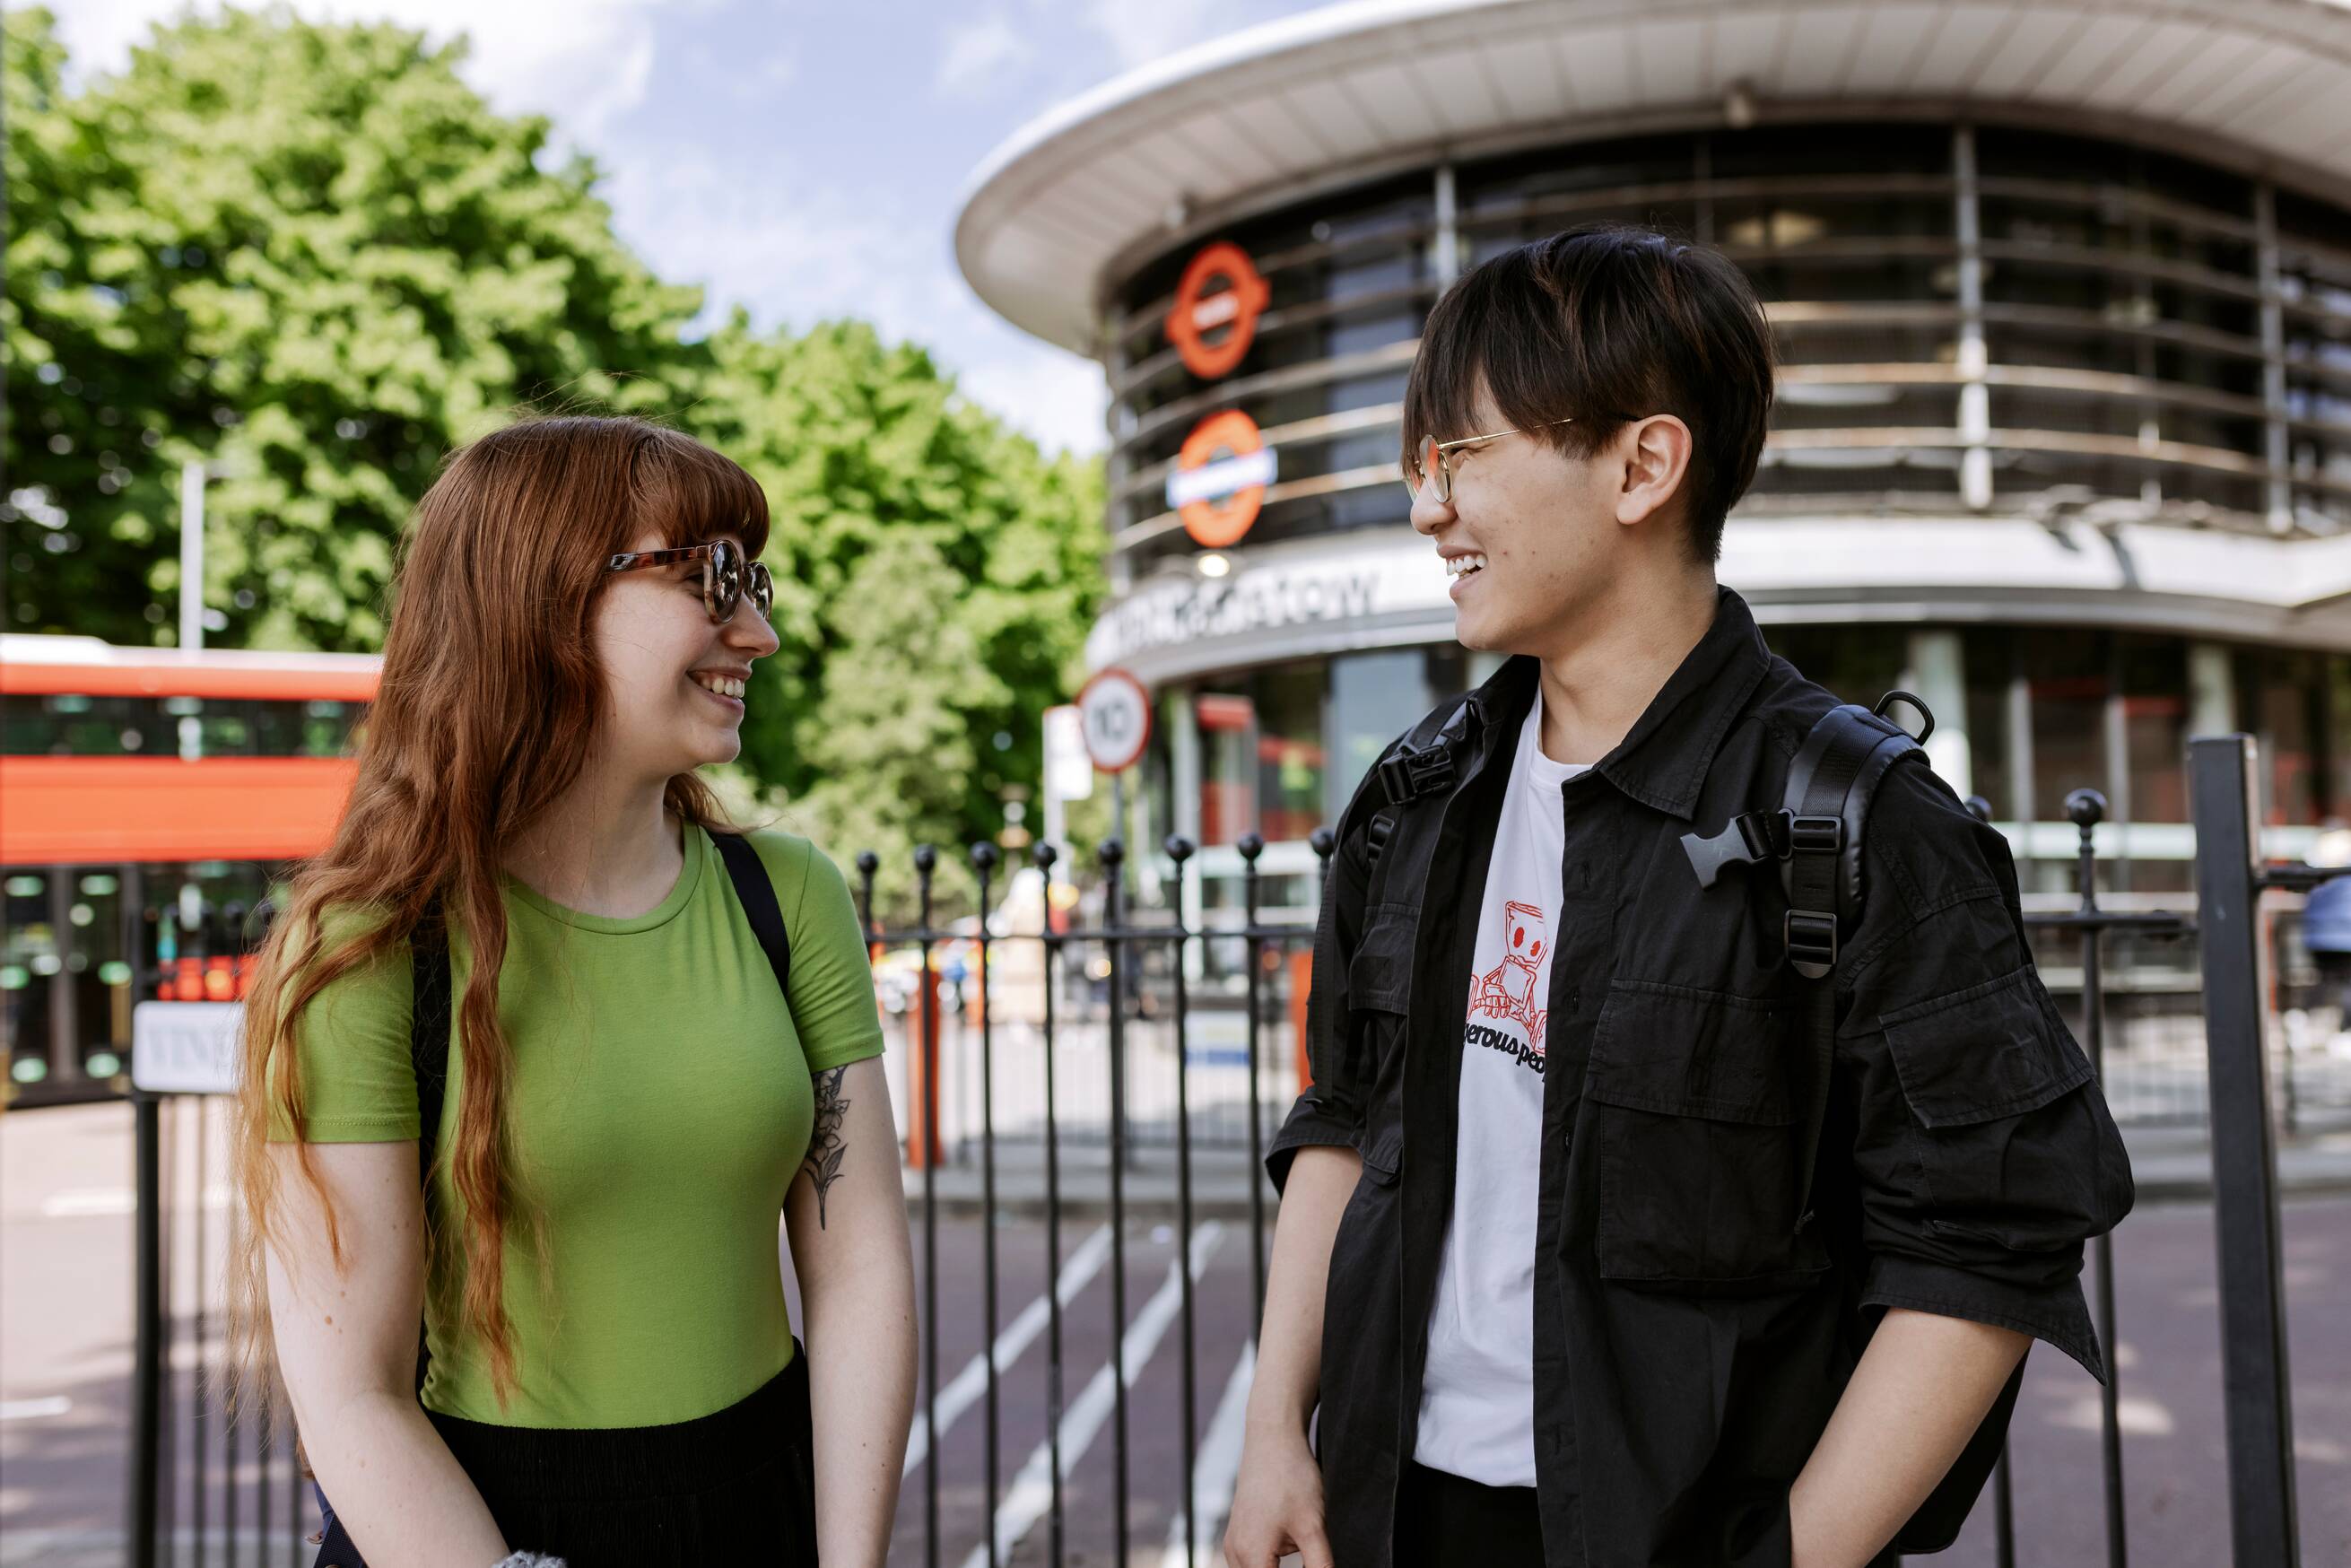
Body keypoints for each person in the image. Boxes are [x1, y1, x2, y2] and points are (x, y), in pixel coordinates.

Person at [1221, 228, 2134, 1568]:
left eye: (1459, 455)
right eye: (1420, 465)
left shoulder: (1865, 823)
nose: (1428, 509)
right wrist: (1272, 1437)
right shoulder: (1412, 798)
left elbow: (1987, 1244)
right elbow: (1348, 1118)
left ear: (1643, 465)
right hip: (1392, 1512)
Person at [230, 416, 917, 1567]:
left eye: (753, 581)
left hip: (763, 1503)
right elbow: (351, 1396)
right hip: (471, 1531)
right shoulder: (367, 945)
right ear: (541, 598)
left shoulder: (788, 896)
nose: (760, 631)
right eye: (710, 576)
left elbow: (860, 1272)